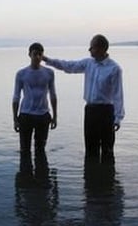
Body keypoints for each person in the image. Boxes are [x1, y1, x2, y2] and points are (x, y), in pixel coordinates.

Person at [42, 34, 124, 163]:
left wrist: (118, 118)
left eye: (92, 47)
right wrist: (47, 60)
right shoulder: (88, 63)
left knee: (107, 149)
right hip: (90, 110)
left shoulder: (114, 68)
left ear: (101, 48)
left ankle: (108, 179)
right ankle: (91, 179)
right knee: (90, 148)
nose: (89, 50)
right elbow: (68, 66)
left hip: (106, 111)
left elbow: (118, 95)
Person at [12, 42, 57, 158]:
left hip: (43, 115)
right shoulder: (21, 74)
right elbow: (16, 97)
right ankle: (25, 175)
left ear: (42, 56)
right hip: (26, 115)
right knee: (24, 150)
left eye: (40, 55)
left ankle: (42, 175)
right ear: (29, 55)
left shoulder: (49, 73)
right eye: (35, 54)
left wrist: (55, 116)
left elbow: (53, 95)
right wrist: (15, 118)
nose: (37, 57)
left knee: (40, 149)